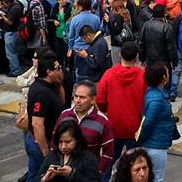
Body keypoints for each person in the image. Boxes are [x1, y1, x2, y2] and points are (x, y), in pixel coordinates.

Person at [96, 41, 146, 180]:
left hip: (114, 127)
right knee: (135, 165)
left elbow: (100, 100)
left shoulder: (109, 74)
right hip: (135, 129)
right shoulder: (143, 76)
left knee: (108, 162)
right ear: (136, 57)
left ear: (119, 55)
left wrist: (106, 110)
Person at [52, 81, 115, 178]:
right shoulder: (65, 115)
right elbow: (54, 141)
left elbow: (108, 151)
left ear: (92, 100)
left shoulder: (102, 121)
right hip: (63, 171)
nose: (77, 100)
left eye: (82, 97)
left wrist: (98, 171)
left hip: (88, 173)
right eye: (76, 96)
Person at [26, 53, 66, 182]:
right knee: (39, 176)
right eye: (58, 68)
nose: (60, 71)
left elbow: (62, 103)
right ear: (49, 72)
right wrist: (46, 153)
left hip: (46, 140)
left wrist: (59, 84)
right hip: (40, 143)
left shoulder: (50, 85)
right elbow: (37, 124)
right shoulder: (41, 92)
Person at [136, 62, 175, 182]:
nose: (169, 74)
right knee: (157, 177)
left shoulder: (155, 93)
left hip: (156, 142)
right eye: (167, 72)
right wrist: (142, 139)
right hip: (156, 145)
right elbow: (148, 123)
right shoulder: (157, 100)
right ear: (164, 77)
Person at [36, 119, 101, 182]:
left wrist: (72, 174)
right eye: (60, 142)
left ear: (77, 140)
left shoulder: (88, 158)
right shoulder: (52, 156)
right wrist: (44, 179)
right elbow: (37, 178)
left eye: (68, 142)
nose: (63, 146)